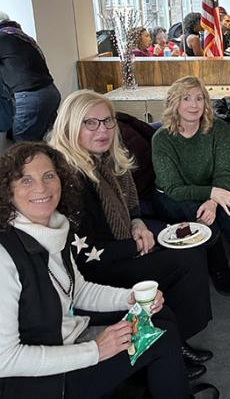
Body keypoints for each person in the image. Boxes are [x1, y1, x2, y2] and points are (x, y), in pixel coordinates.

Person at [0, 142, 189, 398]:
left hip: (68, 337)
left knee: (160, 316)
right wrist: (95, 350)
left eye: (48, 176)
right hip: (43, 383)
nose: (41, 188)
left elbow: (78, 291)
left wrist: (128, 298)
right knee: (161, 338)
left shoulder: (54, 228)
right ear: (8, 192)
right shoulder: (4, 255)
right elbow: (6, 360)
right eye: (26, 180)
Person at [48, 90, 213, 380]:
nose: (103, 130)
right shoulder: (69, 178)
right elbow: (84, 255)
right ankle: (172, 344)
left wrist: (137, 223)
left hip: (122, 243)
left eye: (108, 121)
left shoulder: (107, 161)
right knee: (185, 260)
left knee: (191, 248)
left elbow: (132, 203)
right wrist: (135, 247)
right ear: (70, 126)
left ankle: (174, 339)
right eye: (90, 123)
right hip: (98, 267)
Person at [151, 76, 230, 302]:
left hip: (213, 187)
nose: (194, 105)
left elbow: (225, 172)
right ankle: (219, 270)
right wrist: (212, 194)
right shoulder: (162, 139)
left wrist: (214, 199)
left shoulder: (218, 128)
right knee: (206, 222)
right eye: (186, 98)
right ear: (174, 103)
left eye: (199, 98)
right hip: (174, 194)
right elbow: (173, 187)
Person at [0, 12, 61, 142]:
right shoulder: (20, 36)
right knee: (48, 141)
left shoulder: (2, 37)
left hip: (31, 97)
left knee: (23, 146)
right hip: (50, 93)